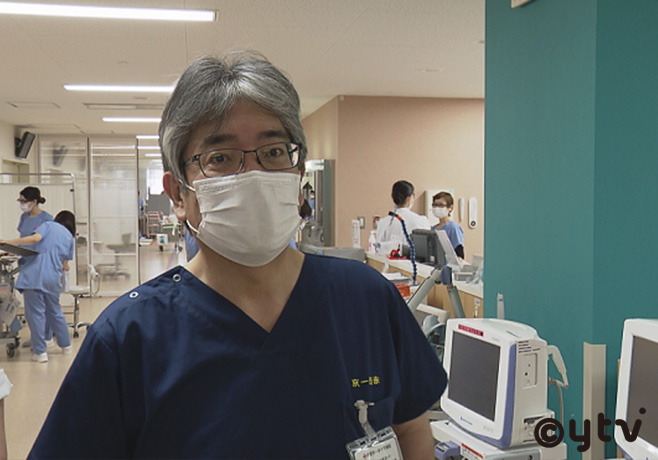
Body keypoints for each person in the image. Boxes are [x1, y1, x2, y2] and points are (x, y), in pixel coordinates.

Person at [28, 51, 446, 459]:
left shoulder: (366, 299)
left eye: (274, 152)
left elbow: (410, 427)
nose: (254, 175)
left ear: (298, 177)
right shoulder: (128, 338)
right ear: (178, 195)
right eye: (220, 158)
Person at [0, 211, 75, 363]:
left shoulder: (48, 225)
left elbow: (34, 239)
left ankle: (40, 352)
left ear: (57, 219)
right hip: (53, 279)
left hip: (36, 276)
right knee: (55, 312)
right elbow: (65, 264)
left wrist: (7, 242)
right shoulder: (69, 237)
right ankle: (66, 345)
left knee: (35, 315)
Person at [16, 186, 55, 345]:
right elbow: (22, 237)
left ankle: (46, 337)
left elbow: (44, 241)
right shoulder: (24, 217)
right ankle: (37, 338)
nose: (22, 204)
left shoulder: (47, 219)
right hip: (27, 263)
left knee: (43, 305)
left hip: (41, 264)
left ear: (34, 201)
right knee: (31, 309)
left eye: (24, 201)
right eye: (20, 201)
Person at [376, 180, 431, 248]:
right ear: (409, 198)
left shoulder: (383, 222)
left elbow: (378, 248)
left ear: (393, 197)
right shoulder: (421, 221)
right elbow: (427, 247)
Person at [431, 191, 465, 259]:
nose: (437, 208)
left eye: (441, 205)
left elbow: (459, 255)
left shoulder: (453, 227)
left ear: (450, 208)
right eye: (435, 205)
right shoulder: (434, 228)